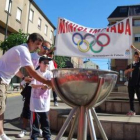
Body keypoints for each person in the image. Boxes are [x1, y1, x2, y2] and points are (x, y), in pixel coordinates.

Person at [0, 33, 52, 140]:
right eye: (37, 44)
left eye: (40, 45)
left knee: (1, 109)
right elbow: (32, 72)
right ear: (31, 41)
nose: (38, 47)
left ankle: (1, 134)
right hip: (1, 79)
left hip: (4, 81)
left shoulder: (23, 50)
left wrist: (23, 77)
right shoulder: (24, 50)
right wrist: (48, 82)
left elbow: (14, 69)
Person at [17, 41, 52, 138]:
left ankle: (38, 129)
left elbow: (50, 75)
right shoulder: (32, 55)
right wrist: (23, 79)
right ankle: (24, 129)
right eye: (45, 47)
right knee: (27, 108)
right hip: (30, 84)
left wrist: (48, 85)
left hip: (42, 88)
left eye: (48, 49)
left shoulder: (49, 60)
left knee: (41, 111)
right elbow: (22, 66)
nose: (46, 50)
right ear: (40, 46)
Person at [30, 56, 52, 140]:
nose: (46, 64)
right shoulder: (35, 73)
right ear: (40, 63)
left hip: (45, 103)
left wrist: (48, 86)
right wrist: (42, 85)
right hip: (35, 103)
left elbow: (51, 85)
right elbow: (32, 85)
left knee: (45, 121)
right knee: (35, 122)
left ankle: (47, 136)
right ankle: (34, 136)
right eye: (44, 63)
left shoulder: (49, 73)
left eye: (47, 63)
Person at [124, 51, 140, 116]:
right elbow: (125, 72)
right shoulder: (130, 65)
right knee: (131, 98)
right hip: (130, 84)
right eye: (135, 56)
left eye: (137, 57)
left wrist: (134, 48)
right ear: (133, 56)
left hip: (138, 84)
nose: (136, 58)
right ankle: (132, 111)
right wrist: (128, 70)